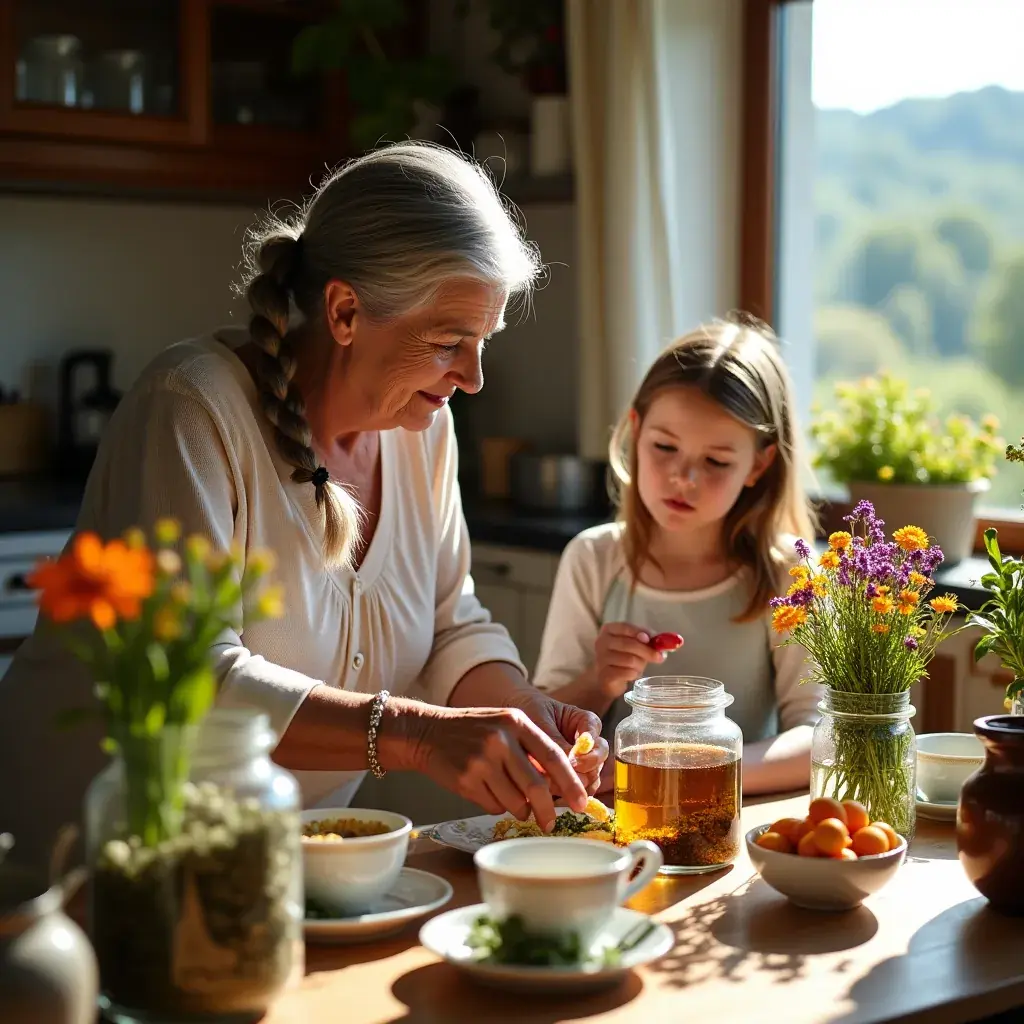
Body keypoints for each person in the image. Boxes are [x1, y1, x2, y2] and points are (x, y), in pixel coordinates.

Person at [0, 142, 607, 866]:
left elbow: (450, 624)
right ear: (346, 311)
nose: (473, 378)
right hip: (86, 866)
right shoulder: (191, 407)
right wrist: (414, 735)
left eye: (482, 342)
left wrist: (520, 715)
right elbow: (194, 674)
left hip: (263, 868)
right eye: (450, 341)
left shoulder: (425, 431)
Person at [532, 316, 821, 794]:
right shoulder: (592, 558)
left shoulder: (788, 571)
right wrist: (599, 681)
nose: (683, 478)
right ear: (635, 431)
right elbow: (543, 731)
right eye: (665, 446)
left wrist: (680, 772)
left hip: (734, 828)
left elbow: (816, 738)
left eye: (716, 462)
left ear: (760, 464)